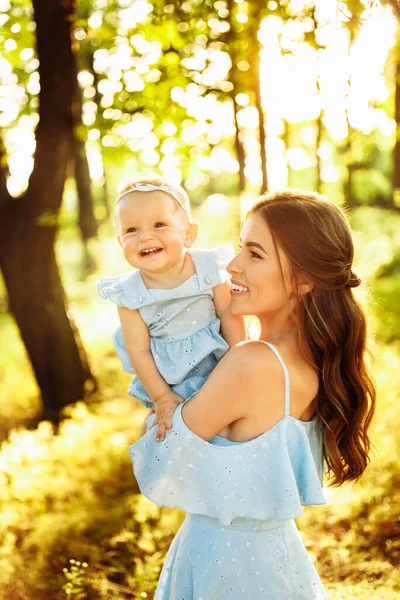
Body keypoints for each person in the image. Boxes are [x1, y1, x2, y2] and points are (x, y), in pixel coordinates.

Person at [129, 189, 376, 599]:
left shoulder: (252, 363)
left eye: (255, 254)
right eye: (241, 247)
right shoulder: (313, 360)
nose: (232, 265)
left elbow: (159, 463)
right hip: (276, 559)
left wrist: (159, 400)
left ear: (305, 278)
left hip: (225, 568)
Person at [98, 177, 246, 440]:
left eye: (159, 224)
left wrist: (238, 360)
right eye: (131, 230)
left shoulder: (207, 268)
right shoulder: (129, 294)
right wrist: (162, 396)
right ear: (121, 242)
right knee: (164, 433)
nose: (145, 236)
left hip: (222, 366)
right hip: (171, 381)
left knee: (234, 427)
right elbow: (139, 351)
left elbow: (228, 314)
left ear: (188, 234)